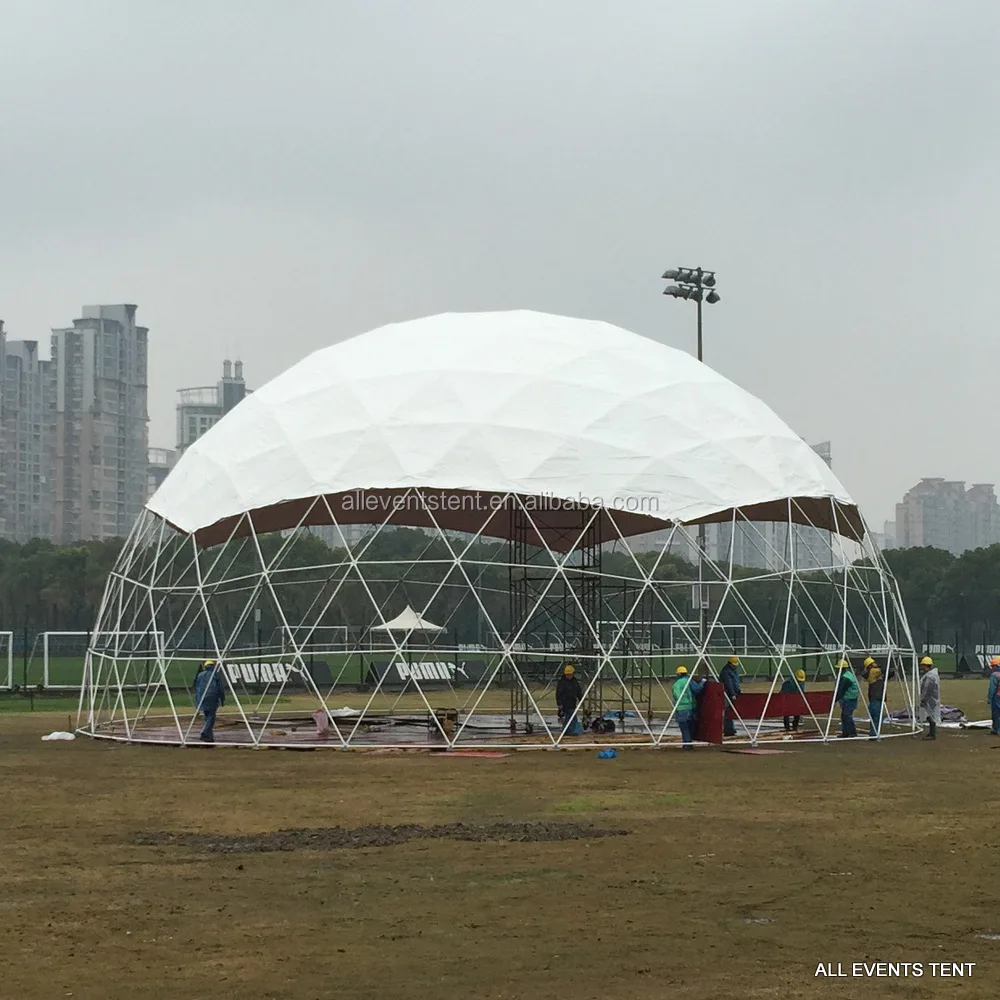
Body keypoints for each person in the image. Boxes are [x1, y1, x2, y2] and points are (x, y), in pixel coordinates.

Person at [671, 665, 706, 750]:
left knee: (684, 728)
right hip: (690, 707)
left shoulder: (676, 684)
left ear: (678, 674)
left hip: (681, 708)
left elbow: (676, 695)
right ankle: (689, 742)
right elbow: (697, 690)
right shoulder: (689, 681)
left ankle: (687, 745)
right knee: (690, 726)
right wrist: (702, 682)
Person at [193, 659, 226, 743]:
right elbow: (220, 688)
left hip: (202, 697)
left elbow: (197, 688)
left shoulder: (200, 675)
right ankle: (204, 732)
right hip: (212, 697)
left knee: (207, 716)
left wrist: (197, 701)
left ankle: (209, 736)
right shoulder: (215, 674)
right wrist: (222, 699)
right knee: (211, 716)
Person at [556, 664, 584, 736]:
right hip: (565, 703)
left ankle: (567, 731)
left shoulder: (574, 682)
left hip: (572, 703)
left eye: (570, 674)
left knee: (570, 718)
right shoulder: (562, 682)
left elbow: (578, 691)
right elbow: (558, 694)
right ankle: (570, 731)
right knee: (571, 717)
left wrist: (581, 699)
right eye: (567, 674)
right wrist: (559, 704)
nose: (569, 676)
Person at [834, 659, 859, 738]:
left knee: (847, 715)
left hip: (850, 698)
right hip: (849, 697)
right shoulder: (848, 675)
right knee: (844, 716)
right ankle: (845, 732)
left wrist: (835, 699)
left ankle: (852, 732)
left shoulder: (846, 678)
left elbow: (841, 690)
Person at [919, 655, 940, 741]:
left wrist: (923, 699)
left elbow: (927, 689)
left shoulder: (930, 677)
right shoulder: (933, 675)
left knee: (930, 715)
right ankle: (931, 733)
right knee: (931, 715)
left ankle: (932, 734)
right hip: (932, 698)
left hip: (930, 699)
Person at [719, 655, 742, 737]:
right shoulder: (726, 672)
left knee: (730, 711)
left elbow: (736, 682)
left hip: (733, 692)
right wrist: (732, 693)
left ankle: (730, 728)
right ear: (730, 663)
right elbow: (729, 684)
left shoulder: (734, 670)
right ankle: (728, 729)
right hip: (727, 693)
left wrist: (738, 691)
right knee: (728, 711)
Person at [863, 656, 885, 740]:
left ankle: (873, 733)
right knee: (877, 716)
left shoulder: (871, 672)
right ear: (870, 665)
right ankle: (873, 735)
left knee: (876, 716)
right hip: (876, 697)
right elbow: (882, 670)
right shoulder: (873, 671)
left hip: (875, 697)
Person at [988, 656, 1000, 736]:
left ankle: (996, 729)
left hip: (997, 697)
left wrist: (989, 698)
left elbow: (992, 688)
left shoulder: (994, 675)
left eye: (993, 666)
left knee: (996, 713)